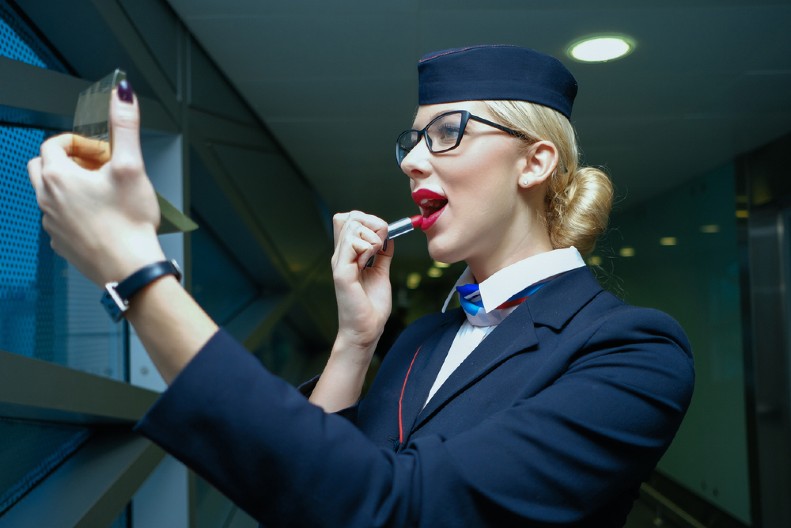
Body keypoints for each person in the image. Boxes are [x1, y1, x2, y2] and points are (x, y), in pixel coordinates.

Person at [28, 45, 694, 527]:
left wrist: (138, 272)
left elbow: (397, 509)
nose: (410, 160)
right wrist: (354, 339)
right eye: (411, 139)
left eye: (447, 133)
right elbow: (308, 493)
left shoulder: (632, 353)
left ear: (534, 161)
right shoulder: (422, 339)